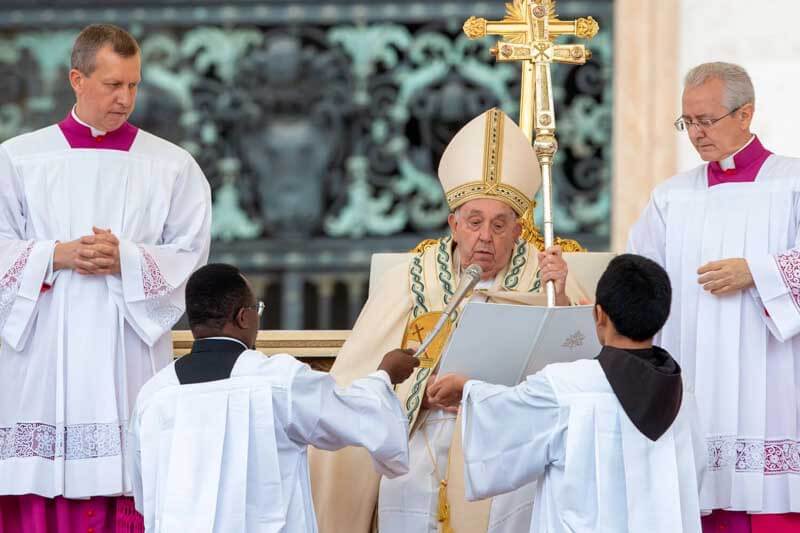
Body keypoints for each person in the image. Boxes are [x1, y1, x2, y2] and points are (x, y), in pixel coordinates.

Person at [310, 108, 589, 533]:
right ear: (453, 224)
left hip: (508, 435)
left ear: (518, 230)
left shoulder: (547, 275)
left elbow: (579, 365)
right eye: (474, 222)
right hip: (424, 427)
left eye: (500, 225)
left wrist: (562, 298)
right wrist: (422, 393)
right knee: (402, 481)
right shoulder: (411, 277)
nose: (485, 237)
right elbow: (360, 375)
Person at [0, 24, 211, 532]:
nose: (126, 98)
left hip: (127, 347)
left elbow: (191, 251)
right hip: (43, 350)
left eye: (134, 85)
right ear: (77, 79)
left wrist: (129, 260)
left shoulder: (171, 165)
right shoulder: (19, 159)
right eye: (113, 85)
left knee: (128, 473)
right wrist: (57, 254)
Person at [629, 62, 800, 532]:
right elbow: (640, 284)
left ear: (745, 114)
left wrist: (761, 272)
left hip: (775, 380)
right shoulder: (671, 197)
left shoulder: (792, 182)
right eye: (688, 122)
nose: (696, 134)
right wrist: (568, 285)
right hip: (695, 377)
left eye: (707, 120)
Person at [127, 263, 418, 532]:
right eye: (258, 309)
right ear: (243, 317)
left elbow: (145, 493)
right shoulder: (277, 380)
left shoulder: (153, 395)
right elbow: (354, 416)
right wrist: (384, 376)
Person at [427, 254, 705, 533]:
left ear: (599, 314)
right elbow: (694, 472)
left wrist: (466, 388)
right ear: (661, 317)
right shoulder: (682, 389)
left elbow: (507, 414)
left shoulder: (566, 386)